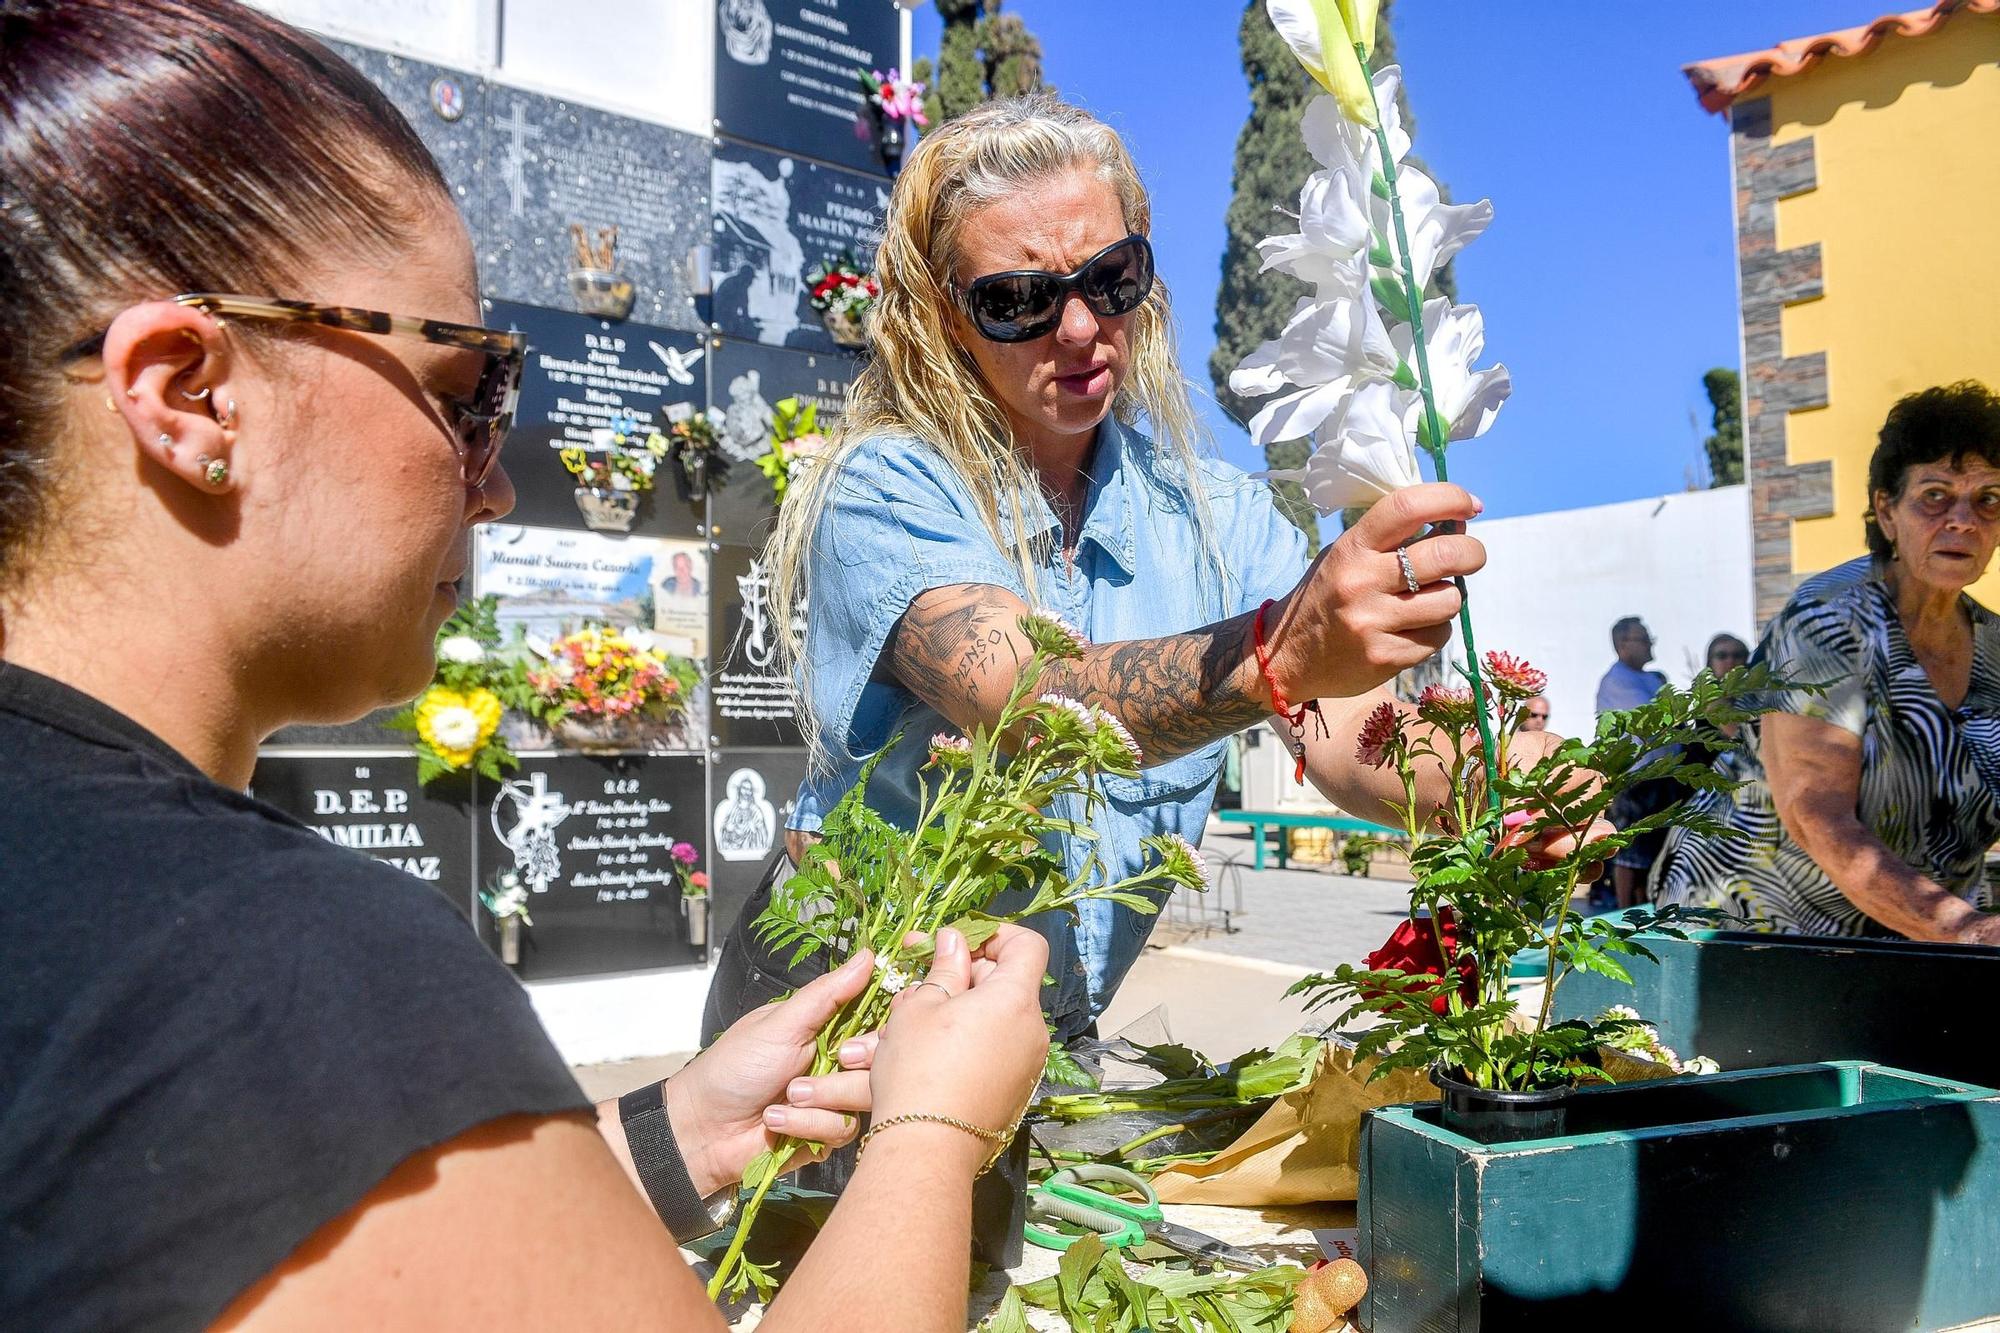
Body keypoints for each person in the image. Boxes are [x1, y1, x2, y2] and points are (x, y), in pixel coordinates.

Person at [0, 4, 1048, 1329]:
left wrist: (665, 1140)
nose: (492, 485)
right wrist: (936, 1126)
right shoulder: (265, 971)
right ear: (192, 393)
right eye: (469, 386)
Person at [705, 93, 1598, 1046]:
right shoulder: (882, 487)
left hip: (1037, 1033)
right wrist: (1275, 652)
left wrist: (1503, 785)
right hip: (838, 1020)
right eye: (1019, 300)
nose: (1083, 328)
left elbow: (1343, 731)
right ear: (943, 321)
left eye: (1112, 276)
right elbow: (1030, 704)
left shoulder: (1216, 514)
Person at [1655, 383, 2000, 942]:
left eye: (1989, 499)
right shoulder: (1829, 622)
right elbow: (1816, 815)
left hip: (1920, 943)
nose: (1963, 520)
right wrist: (1966, 930)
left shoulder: (1995, 649)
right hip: (1758, 937)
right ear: (1887, 510)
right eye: (1935, 495)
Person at [1596, 616, 1672, 907]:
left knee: (1651, 850)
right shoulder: (1617, 681)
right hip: (1636, 776)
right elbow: (1655, 717)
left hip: (1659, 775)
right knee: (1631, 851)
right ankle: (1625, 909)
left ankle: (1643, 906)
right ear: (1621, 644)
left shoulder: (1650, 678)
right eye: (1643, 638)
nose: (1650, 643)